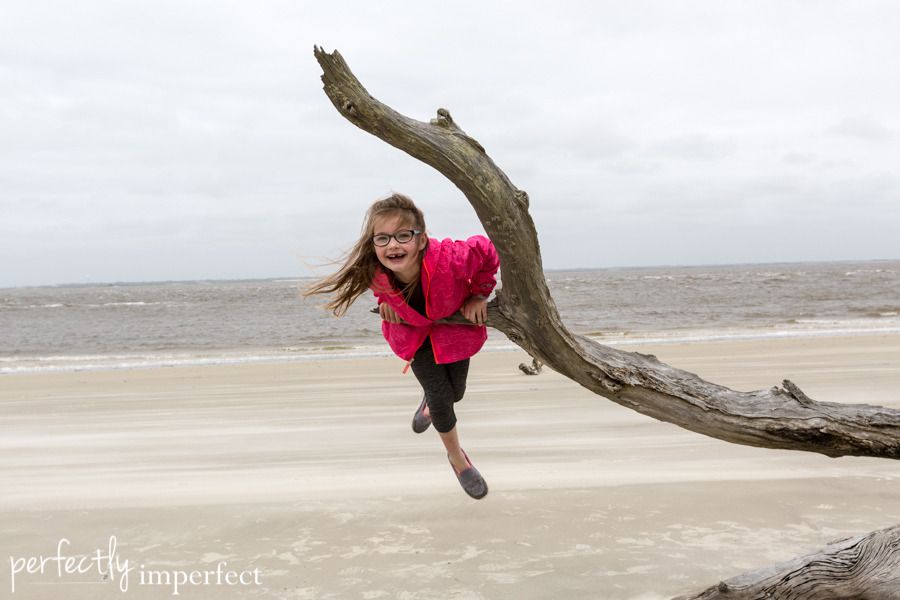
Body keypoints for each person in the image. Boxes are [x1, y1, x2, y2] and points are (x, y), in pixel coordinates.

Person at [304, 193, 500, 499]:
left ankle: (429, 403)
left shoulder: (453, 257)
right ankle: (458, 459)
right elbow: (379, 288)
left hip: (452, 330)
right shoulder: (372, 270)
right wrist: (385, 301)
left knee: (455, 393)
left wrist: (480, 294)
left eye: (403, 236)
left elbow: (488, 251)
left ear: (421, 240)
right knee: (441, 398)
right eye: (382, 238)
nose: (392, 246)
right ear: (373, 244)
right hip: (413, 333)